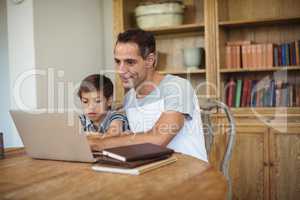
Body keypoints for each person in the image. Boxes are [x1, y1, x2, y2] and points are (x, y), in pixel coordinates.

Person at [88, 29, 207, 161]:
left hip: (190, 173)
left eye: (130, 62)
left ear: (150, 60)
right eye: (117, 61)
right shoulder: (129, 98)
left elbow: (158, 139)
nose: (120, 70)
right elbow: (131, 138)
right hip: (154, 171)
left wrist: (98, 144)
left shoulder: (177, 87)